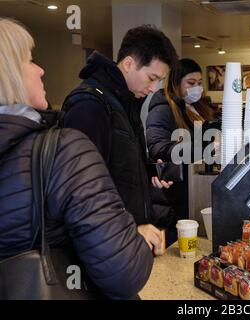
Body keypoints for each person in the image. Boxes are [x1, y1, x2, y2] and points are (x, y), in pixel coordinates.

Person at [0, 18, 152, 299]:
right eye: (30, 61)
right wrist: (133, 235)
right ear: (8, 75)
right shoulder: (63, 148)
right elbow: (125, 271)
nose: (41, 69)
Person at [62, 25, 179, 247]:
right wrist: (127, 231)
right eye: (151, 78)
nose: (154, 88)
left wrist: (147, 170)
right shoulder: (89, 106)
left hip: (126, 243)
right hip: (106, 246)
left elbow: (118, 163)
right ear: (128, 64)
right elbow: (83, 191)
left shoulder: (126, 103)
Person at [146, 58, 218, 244]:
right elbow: (158, 148)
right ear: (176, 82)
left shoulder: (198, 107)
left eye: (200, 83)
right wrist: (201, 148)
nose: (197, 88)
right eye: (191, 83)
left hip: (195, 186)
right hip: (174, 193)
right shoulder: (163, 108)